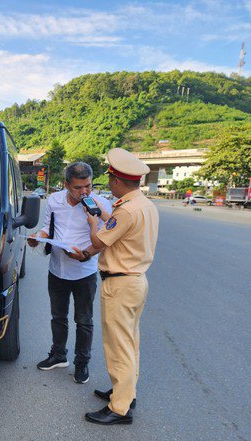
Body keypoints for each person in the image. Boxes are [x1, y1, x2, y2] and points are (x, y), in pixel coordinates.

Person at [82, 148, 159, 425]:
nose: (110, 184)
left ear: (116, 181)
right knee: (131, 342)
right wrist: (104, 217)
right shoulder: (144, 205)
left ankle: (119, 408)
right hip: (136, 281)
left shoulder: (125, 210)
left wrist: (93, 221)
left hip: (120, 283)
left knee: (118, 346)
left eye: (110, 180)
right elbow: (121, 231)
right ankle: (126, 392)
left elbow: (100, 242)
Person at [28, 162, 111, 384]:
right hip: (57, 269)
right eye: (78, 187)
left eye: (88, 186)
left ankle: (82, 362)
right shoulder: (55, 200)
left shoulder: (100, 205)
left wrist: (85, 254)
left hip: (84, 272)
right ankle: (58, 355)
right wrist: (38, 236)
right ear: (66, 185)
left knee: (83, 320)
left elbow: (105, 240)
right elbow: (48, 226)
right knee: (58, 316)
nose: (84, 192)